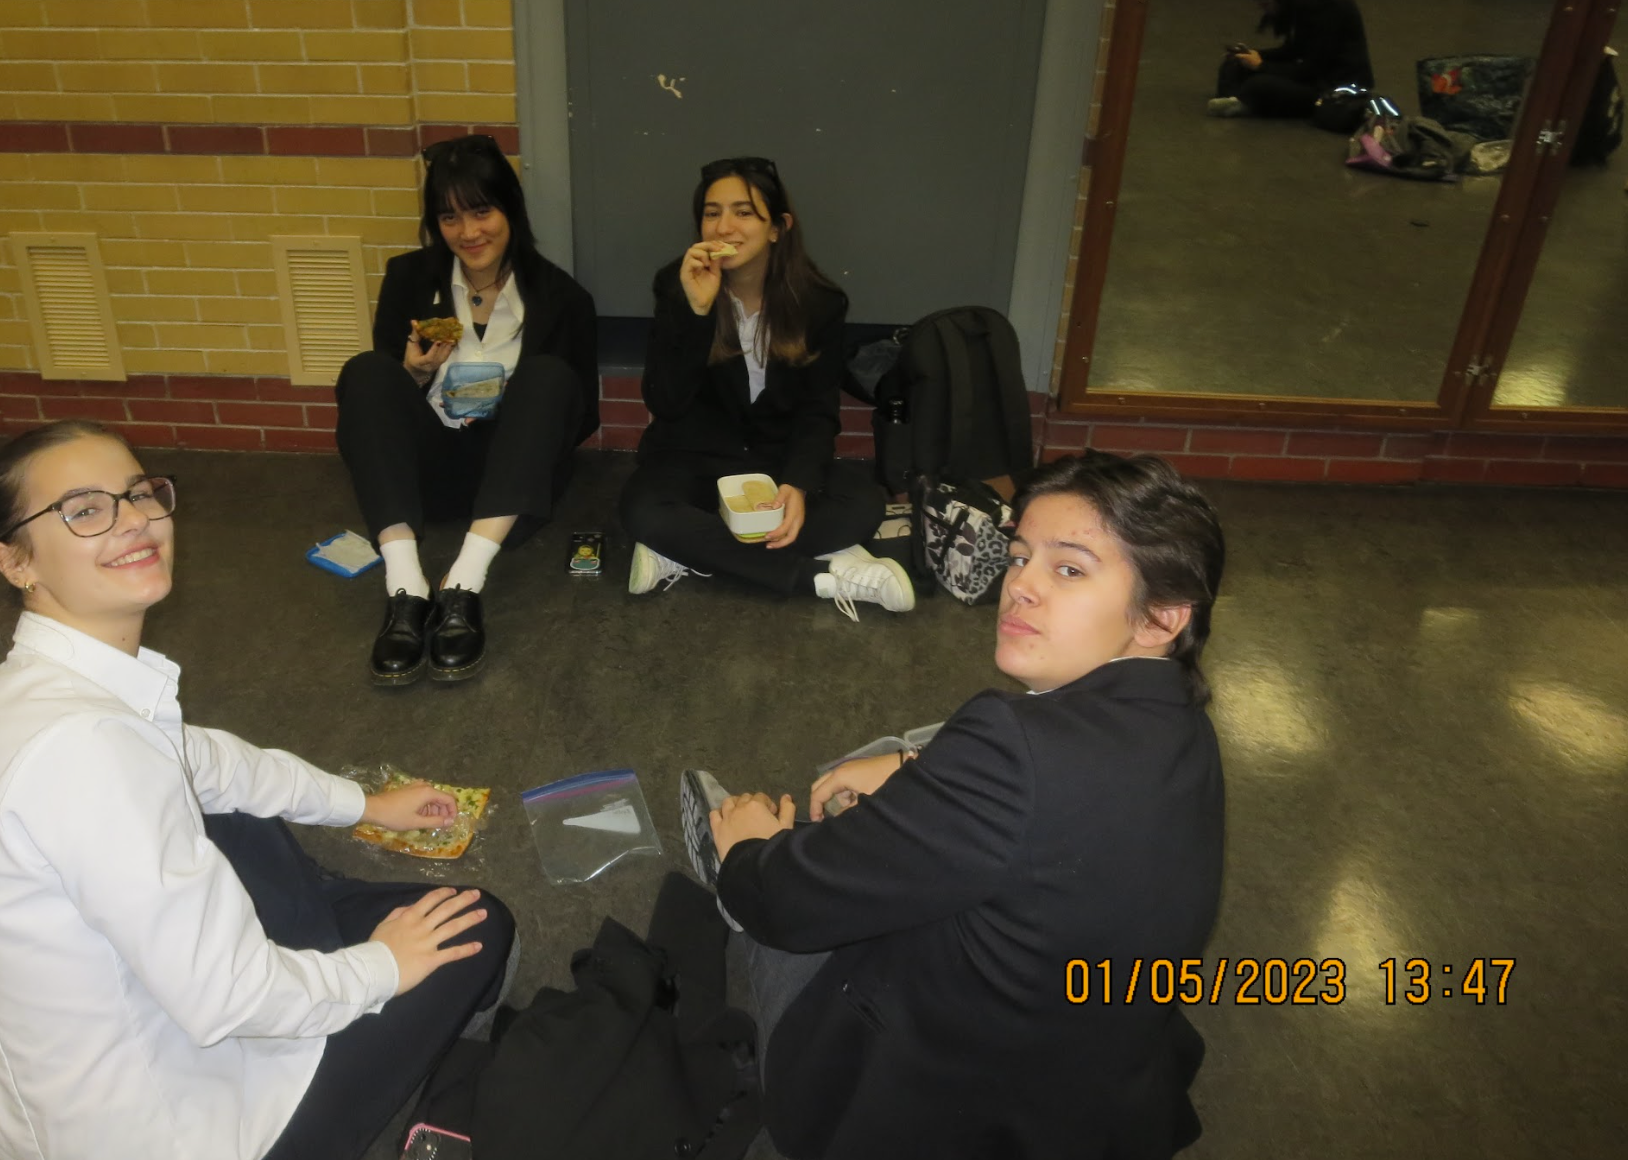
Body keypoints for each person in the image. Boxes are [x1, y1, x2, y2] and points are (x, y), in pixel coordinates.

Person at [0, 421, 518, 1160]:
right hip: (183, 1127)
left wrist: (365, 804)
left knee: (240, 813)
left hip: (89, 1072)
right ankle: (351, 954)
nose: (137, 523)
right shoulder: (86, 753)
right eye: (85, 511)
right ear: (14, 560)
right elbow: (229, 998)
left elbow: (204, 763)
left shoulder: (38, 686)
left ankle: (329, 939)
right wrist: (382, 968)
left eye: (140, 494)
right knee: (478, 929)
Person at [685, 450, 1227, 1158]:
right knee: (892, 763)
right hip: (1094, 1090)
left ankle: (732, 863)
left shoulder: (1011, 744)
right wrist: (919, 768)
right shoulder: (1185, 717)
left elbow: (792, 907)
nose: (1020, 586)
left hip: (945, 1112)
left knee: (784, 891)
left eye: (1069, 568)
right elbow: (1054, 813)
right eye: (1021, 556)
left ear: (1159, 617)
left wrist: (751, 855)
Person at [336, 133, 598, 684]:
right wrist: (415, 373)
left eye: (482, 211)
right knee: (365, 370)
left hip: (509, 479)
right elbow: (378, 410)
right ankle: (405, 588)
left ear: (510, 209)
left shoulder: (561, 297)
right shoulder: (410, 278)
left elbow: (582, 416)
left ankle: (463, 584)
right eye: (450, 217)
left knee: (550, 375)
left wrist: (520, 404)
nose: (469, 232)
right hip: (431, 467)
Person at [618, 156, 911, 620]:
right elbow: (665, 401)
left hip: (773, 464)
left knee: (862, 505)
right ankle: (821, 577)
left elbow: (818, 409)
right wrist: (695, 312)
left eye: (744, 212)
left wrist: (798, 483)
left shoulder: (819, 302)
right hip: (693, 460)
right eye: (712, 212)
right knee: (642, 511)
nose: (724, 226)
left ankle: (687, 552)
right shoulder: (676, 284)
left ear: (777, 227)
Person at [1209, 0, 1373, 119]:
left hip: (1332, 89)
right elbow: (1293, 51)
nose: (1260, 6)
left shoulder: (1330, 10)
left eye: (1266, 4)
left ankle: (1244, 100)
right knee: (1234, 64)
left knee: (1260, 84)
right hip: (1312, 75)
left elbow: (1311, 70)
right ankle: (1238, 99)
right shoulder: (1303, 8)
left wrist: (1261, 66)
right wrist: (1255, 55)